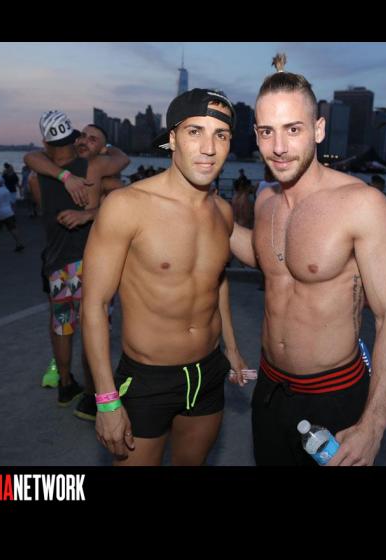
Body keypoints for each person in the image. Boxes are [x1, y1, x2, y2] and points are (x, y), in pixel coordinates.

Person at [229, 54, 386, 466]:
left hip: (334, 395)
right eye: (267, 132)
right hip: (270, 389)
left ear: (318, 129)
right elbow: (267, 260)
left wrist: (373, 424)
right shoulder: (264, 199)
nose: (278, 147)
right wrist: (214, 218)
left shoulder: (363, 206)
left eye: (293, 129)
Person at [81, 88, 249, 466]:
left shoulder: (222, 212)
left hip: (208, 373)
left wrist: (232, 348)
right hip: (148, 379)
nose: (209, 148)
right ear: (172, 138)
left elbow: (216, 281)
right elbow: (94, 305)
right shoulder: (126, 206)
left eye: (221, 135)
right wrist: (106, 401)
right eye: (195, 132)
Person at [25, 113, 130, 420]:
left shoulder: (37, 175)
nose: (84, 141)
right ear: (72, 139)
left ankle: (65, 384)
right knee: (92, 329)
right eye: (82, 136)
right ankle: (91, 396)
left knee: (62, 325)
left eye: (91, 139)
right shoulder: (95, 169)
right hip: (91, 264)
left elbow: (31, 160)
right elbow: (123, 165)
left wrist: (68, 180)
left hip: (57, 263)